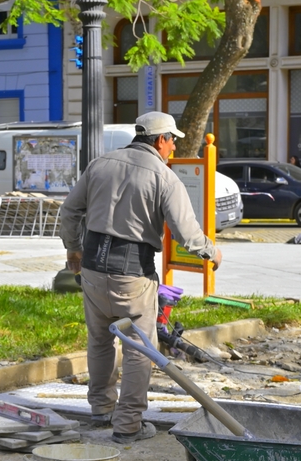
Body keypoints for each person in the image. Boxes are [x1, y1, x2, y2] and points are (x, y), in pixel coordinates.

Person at [59, 112, 222, 444]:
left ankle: (101, 411)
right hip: (132, 274)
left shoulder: (100, 165)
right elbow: (186, 234)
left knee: (100, 340)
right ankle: (128, 425)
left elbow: (69, 211)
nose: (174, 146)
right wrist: (212, 252)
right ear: (160, 140)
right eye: (172, 140)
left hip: (91, 267)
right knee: (138, 349)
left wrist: (73, 250)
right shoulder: (163, 177)